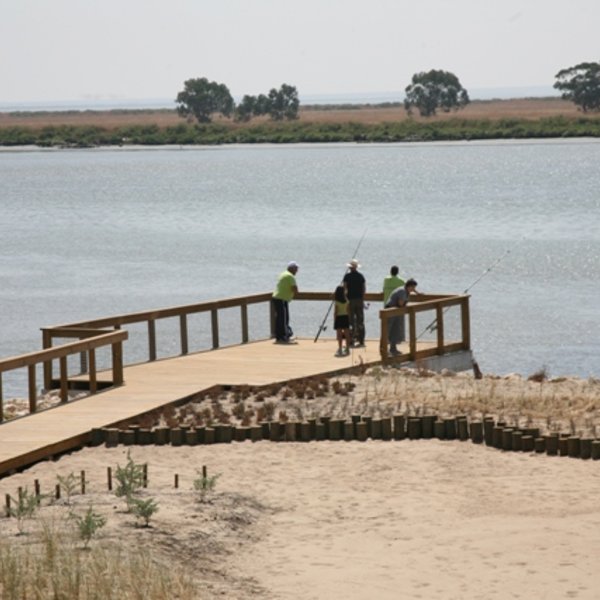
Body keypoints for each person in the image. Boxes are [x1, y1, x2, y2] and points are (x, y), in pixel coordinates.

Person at [385, 278, 418, 356]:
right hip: (390, 310)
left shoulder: (405, 290)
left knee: (395, 330)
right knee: (387, 330)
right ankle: (383, 349)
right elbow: (400, 303)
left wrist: (417, 293)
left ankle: (393, 349)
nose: (413, 290)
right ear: (409, 286)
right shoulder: (403, 292)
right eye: (413, 287)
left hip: (396, 311)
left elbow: (402, 303)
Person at [272, 261, 299, 343]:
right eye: (296, 269)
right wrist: (296, 293)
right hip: (281, 299)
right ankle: (283, 337)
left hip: (278, 298)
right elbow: (294, 289)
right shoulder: (290, 276)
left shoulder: (283, 274)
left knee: (280, 318)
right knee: (283, 319)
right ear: (291, 268)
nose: (297, 271)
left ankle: (279, 336)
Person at [343, 258, 366, 347]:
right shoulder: (361, 276)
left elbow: (345, 288)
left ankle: (351, 340)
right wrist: (362, 298)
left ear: (350, 268)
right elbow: (364, 288)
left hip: (350, 300)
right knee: (360, 320)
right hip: (359, 300)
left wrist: (346, 299)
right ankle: (361, 340)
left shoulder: (347, 277)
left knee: (350, 320)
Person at [333, 285, 351, 356]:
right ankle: (347, 348)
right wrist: (349, 319)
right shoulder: (347, 301)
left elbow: (336, 312)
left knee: (339, 334)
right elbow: (348, 311)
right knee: (347, 334)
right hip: (345, 317)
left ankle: (340, 348)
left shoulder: (337, 302)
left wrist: (335, 319)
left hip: (339, 318)